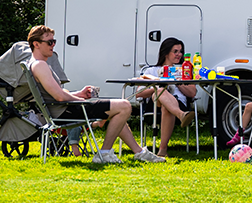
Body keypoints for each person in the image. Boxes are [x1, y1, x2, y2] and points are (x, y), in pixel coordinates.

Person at [27, 25, 158, 164]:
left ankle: (139, 152)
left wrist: (80, 93)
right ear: (36, 44)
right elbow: (59, 97)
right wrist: (79, 99)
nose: (53, 45)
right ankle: (104, 153)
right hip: (65, 112)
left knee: (117, 110)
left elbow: (57, 94)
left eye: (54, 42)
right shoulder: (40, 65)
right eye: (49, 42)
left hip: (64, 109)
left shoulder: (36, 64)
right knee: (124, 105)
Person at [136, 36, 199, 159]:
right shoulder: (151, 71)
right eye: (175, 51)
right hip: (154, 105)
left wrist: (177, 82)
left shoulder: (184, 70)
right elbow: (138, 93)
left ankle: (162, 150)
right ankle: (181, 115)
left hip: (177, 101)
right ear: (165, 53)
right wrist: (157, 85)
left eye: (181, 51)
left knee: (167, 107)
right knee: (160, 90)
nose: (179, 54)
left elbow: (192, 93)